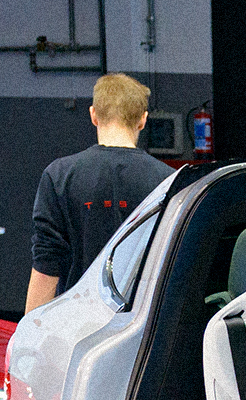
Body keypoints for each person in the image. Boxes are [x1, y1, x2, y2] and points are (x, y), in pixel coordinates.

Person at [25, 73, 173, 310]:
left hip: (77, 319)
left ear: (93, 115)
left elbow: (47, 261)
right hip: (142, 321)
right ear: (143, 120)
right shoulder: (168, 180)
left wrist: (30, 328)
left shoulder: (58, 175)